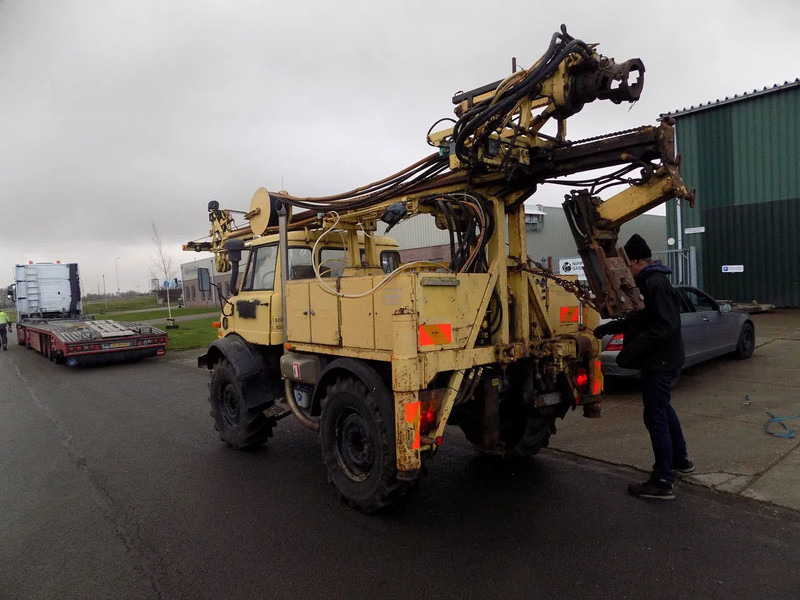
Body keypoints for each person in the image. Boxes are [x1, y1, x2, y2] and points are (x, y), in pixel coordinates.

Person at [594, 234, 693, 500]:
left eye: (629, 264)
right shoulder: (652, 282)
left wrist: (630, 353)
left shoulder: (654, 282)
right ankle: (680, 460)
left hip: (660, 362)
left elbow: (664, 326)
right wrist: (608, 328)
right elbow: (641, 320)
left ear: (636, 260)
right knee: (663, 408)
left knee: (655, 416)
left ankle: (662, 481)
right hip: (665, 359)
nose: (627, 271)